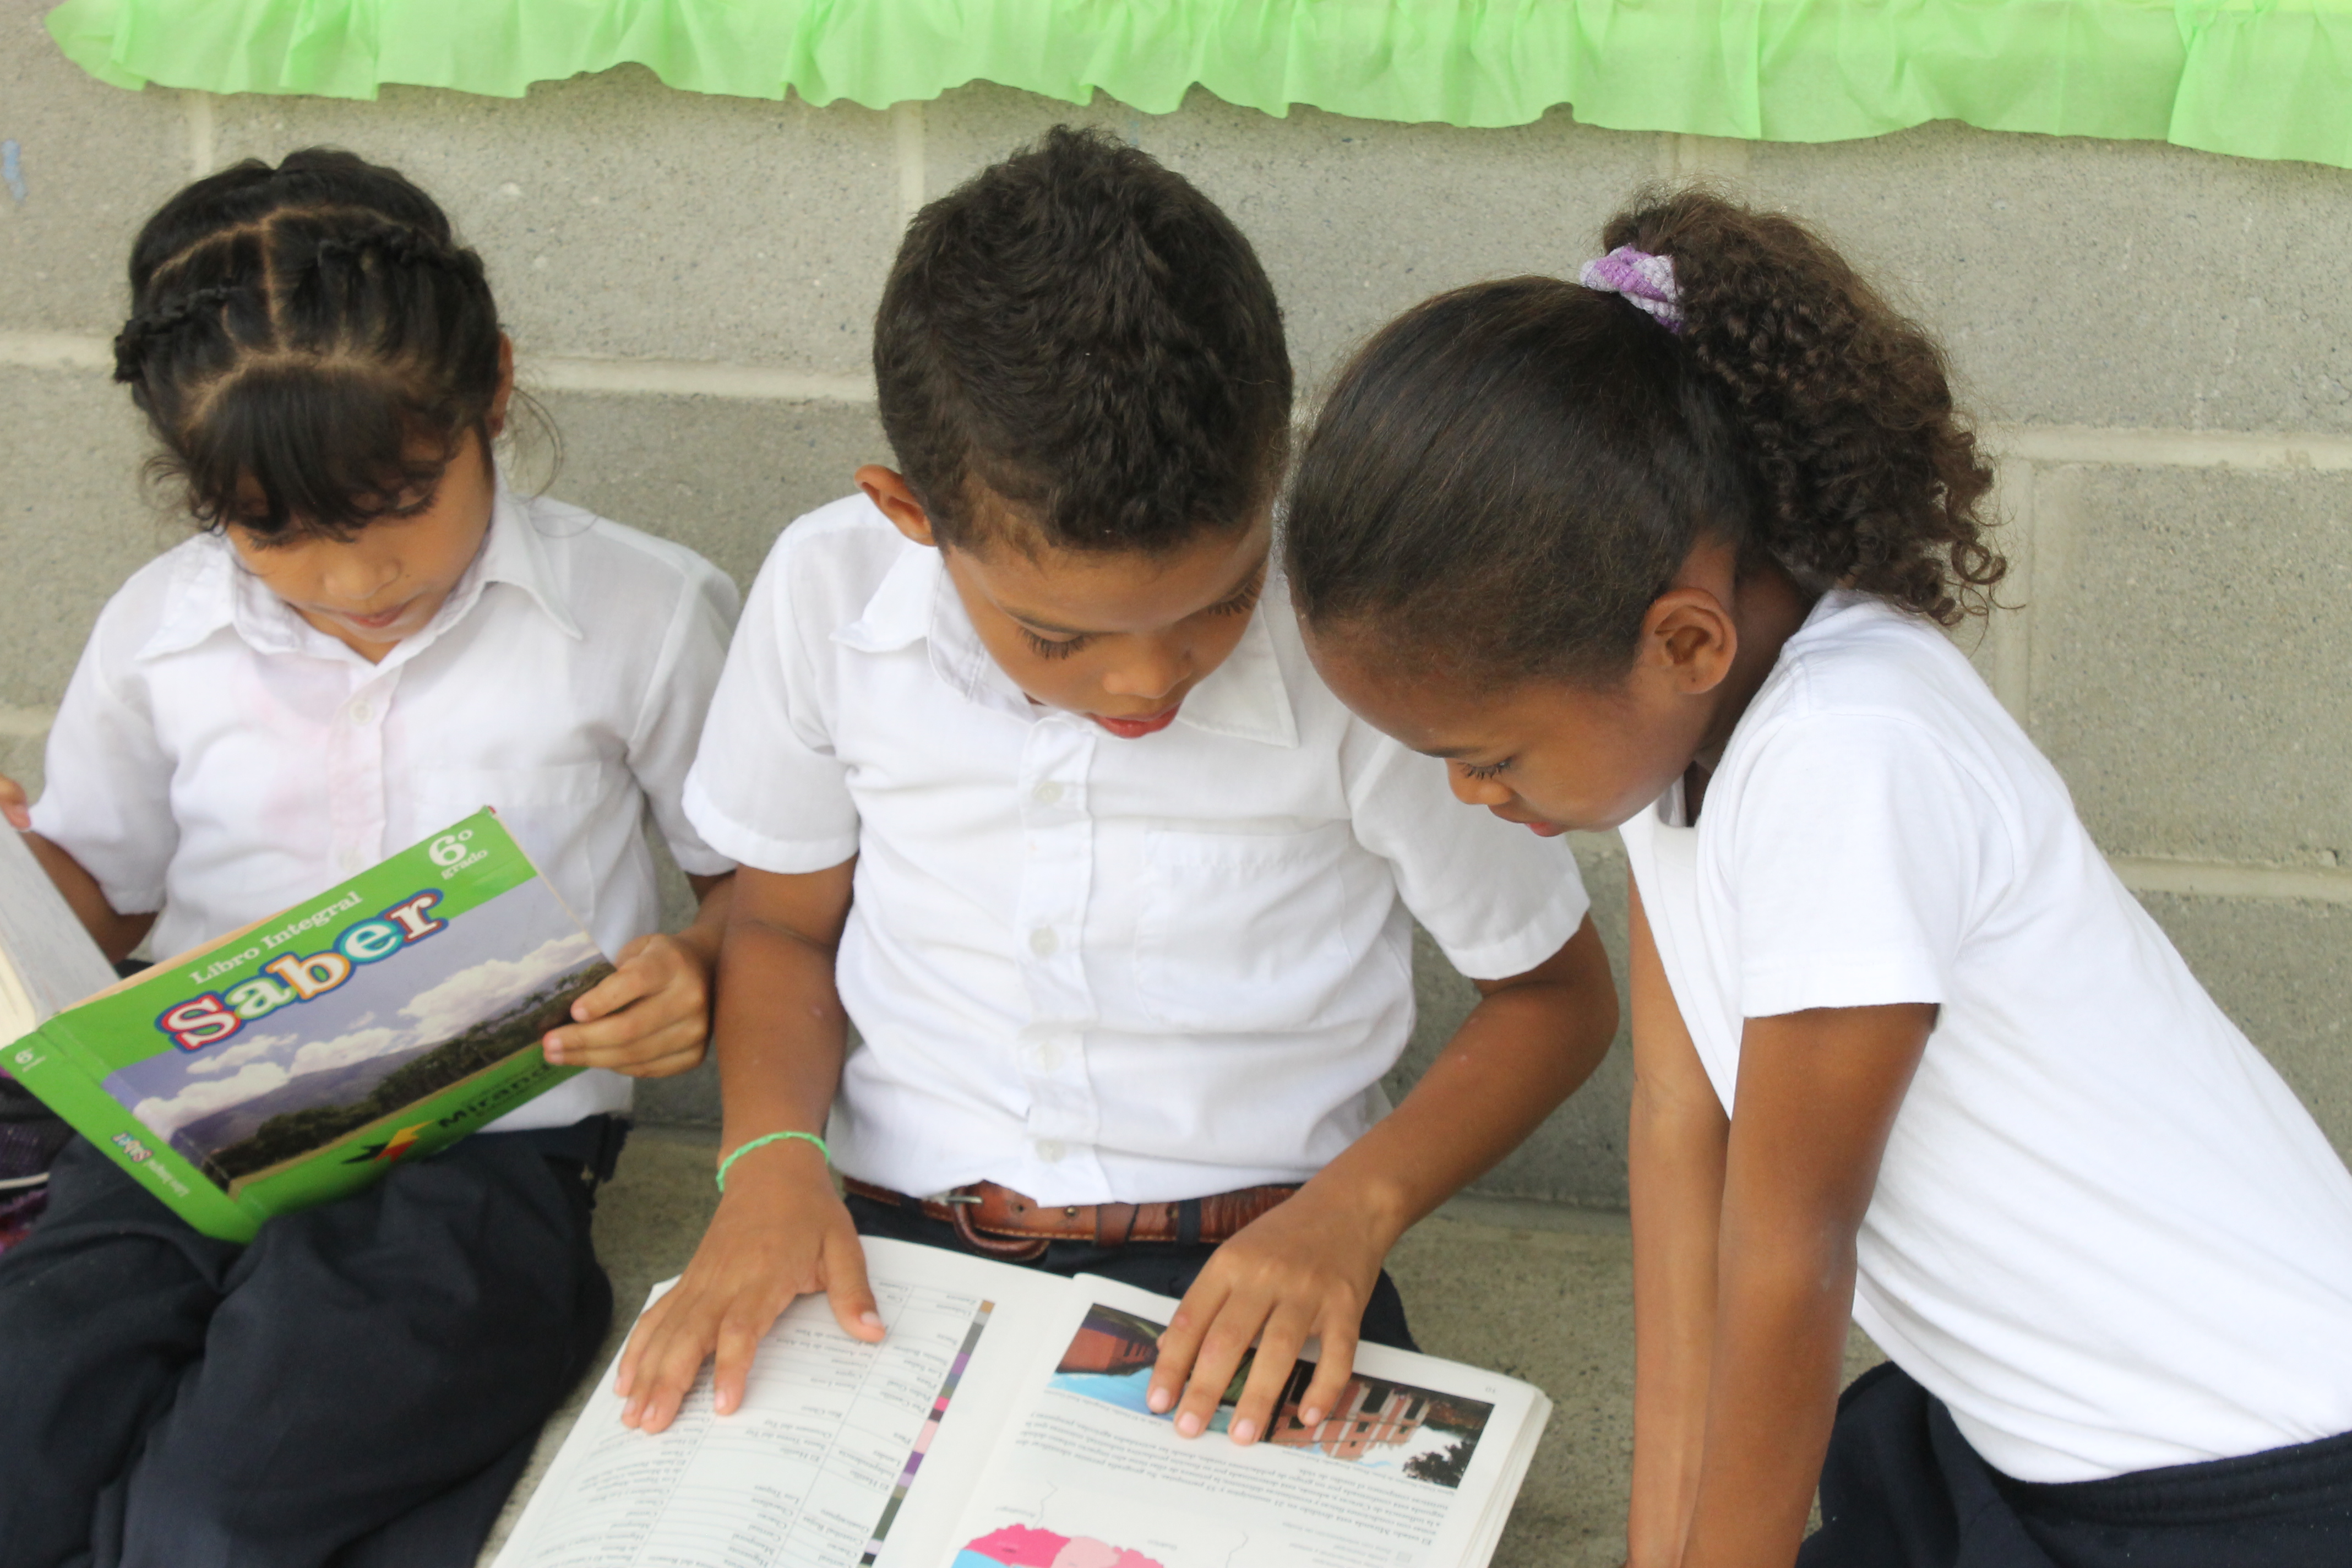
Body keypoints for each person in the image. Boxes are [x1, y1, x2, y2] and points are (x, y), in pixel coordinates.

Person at [1278, 189, 2352, 1568]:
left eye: (1486, 755)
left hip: (2250, 1480)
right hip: (2031, 1440)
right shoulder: (1678, 737)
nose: (1470, 795)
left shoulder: (1848, 750)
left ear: (1684, 640)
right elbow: (1683, 1132)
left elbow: (1791, 1256)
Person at [613, 127, 1620, 1446]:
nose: (1147, 679)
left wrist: (1352, 1213)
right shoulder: (830, 587)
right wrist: (766, 1165)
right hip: (888, 1238)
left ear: (1272, 481)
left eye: (1219, 602)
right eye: (1058, 636)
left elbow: (1554, 996)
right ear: (911, 516)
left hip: (1255, 1257)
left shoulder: (1358, 645)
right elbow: (780, 926)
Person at [0, 148, 739, 1567]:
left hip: (486, 1155)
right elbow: (99, 900)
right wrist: (17, 888)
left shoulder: (639, 612)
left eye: (402, 499)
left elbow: (757, 888)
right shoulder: (160, 629)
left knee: (222, 1512)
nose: (353, 577)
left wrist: (696, 966)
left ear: (493, 392)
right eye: (272, 532)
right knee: (24, 1442)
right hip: (188, 1140)